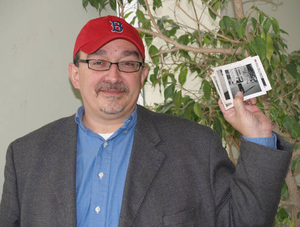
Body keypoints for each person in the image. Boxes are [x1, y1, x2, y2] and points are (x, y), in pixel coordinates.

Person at [0, 15, 293, 227]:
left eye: (128, 63)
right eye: (99, 62)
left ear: (142, 75)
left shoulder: (196, 147)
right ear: (75, 74)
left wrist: (257, 137)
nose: (113, 77)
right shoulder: (25, 156)